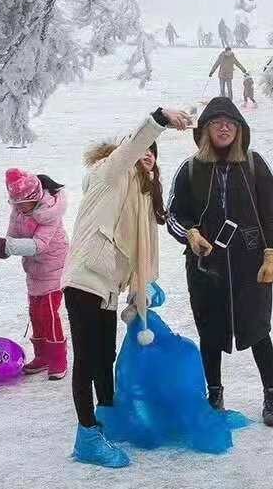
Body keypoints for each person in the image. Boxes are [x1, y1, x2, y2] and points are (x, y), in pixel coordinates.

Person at [62, 104, 193, 468]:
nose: (148, 155)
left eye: (154, 153)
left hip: (106, 288)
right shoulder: (108, 174)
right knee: (88, 359)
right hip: (85, 278)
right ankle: (87, 435)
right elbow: (133, 147)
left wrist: (142, 288)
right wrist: (160, 119)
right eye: (143, 150)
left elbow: (137, 250)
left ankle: (107, 418)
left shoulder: (139, 195)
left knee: (105, 357)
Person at [166, 97, 273, 428]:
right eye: (216, 123)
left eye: (230, 123)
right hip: (207, 266)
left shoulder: (254, 164)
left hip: (252, 265)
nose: (223, 128)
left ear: (239, 130)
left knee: (259, 330)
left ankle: (271, 395)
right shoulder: (190, 169)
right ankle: (215, 395)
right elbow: (173, 213)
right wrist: (190, 235)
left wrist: (272, 251)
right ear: (205, 130)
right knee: (211, 332)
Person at [0, 169, 70, 380]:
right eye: (15, 204)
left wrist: (9, 245)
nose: (19, 208)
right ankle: (42, 356)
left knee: (49, 315)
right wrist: (1, 248)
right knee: (35, 314)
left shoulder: (49, 212)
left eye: (22, 204)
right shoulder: (19, 210)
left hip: (54, 268)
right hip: (34, 270)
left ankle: (58, 359)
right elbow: (12, 237)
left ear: (34, 198)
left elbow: (39, 245)